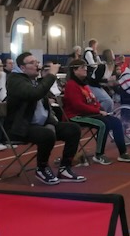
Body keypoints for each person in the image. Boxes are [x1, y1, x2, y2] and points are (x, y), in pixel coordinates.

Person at [5, 52, 84, 186]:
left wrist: (46, 77)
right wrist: (51, 75)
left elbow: (44, 92)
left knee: (73, 129)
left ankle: (65, 168)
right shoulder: (15, 80)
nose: (37, 65)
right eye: (32, 63)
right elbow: (34, 94)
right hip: (22, 127)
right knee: (47, 134)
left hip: (41, 124)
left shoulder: (34, 80)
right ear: (22, 68)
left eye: (37, 62)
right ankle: (41, 168)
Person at [62, 59, 130, 165]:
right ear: (74, 70)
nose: (85, 69)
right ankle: (99, 155)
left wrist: (101, 109)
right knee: (103, 124)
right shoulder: (71, 85)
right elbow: (78, 106)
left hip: (88, 114)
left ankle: (123, 153)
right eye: (82, 67)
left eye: (85, 67)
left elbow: (93, 100)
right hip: (75, 116)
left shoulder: (84, 85)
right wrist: (98, 111)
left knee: (116, 122)